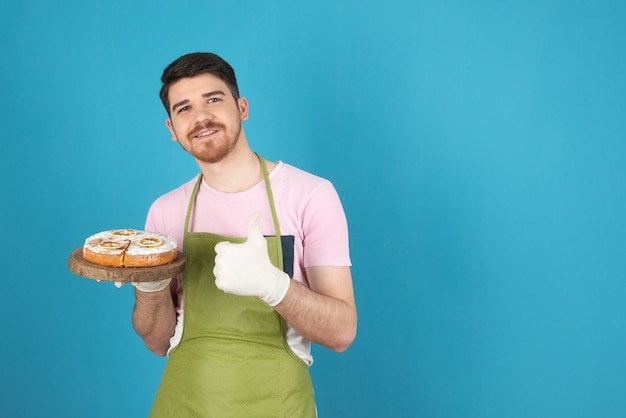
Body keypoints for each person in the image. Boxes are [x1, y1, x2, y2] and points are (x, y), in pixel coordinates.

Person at [131, 52, 357, 417]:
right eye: (184, 108)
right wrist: (150, 288)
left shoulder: (310, 195)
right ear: (172, 129)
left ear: (242, 107)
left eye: (214, 100)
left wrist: (274, 286)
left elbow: (342, 332)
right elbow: (157, 342)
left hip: (277, 403)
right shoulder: (165, 212)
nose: (201, 117)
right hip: (182, 403)